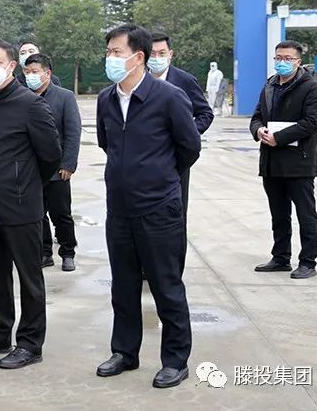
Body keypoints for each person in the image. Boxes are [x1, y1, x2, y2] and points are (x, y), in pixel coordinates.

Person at [95, 24, 201, 389]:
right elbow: (107, 143)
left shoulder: (169, 97)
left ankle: (175, 360)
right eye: (108, 52)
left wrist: (158, 177)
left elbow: (189, 148)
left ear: (138, 57)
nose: (110, 58)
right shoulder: (106, 99)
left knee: (166, 286)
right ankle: (125, 352)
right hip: (119, 209)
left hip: (159, 209)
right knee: (123, 286)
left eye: (117, 52)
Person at [0, 40, 61, 369]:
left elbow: (51, 155)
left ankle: (31, 343)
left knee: (29, 278)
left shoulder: (30, 104)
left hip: (22, 207)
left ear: (11, 66)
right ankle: (0, 333)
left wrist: (23, 181)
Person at [250, 40, 317, 279]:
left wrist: (279, 138)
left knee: (305, 214)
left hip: (298, 163)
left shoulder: (310, 88)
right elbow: (257, 116)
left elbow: (311, 122)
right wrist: (258, 130)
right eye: (278, 58)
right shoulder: (270, 86)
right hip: (271, 162)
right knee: (279, 214)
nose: (282, 62)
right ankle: (281, 257)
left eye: (287, 58)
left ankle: (308, 262)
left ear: (298, 61)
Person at [23, 53, 82, 271]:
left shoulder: (64, 97)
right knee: (37, 214)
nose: (30, 76)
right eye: (27, 72)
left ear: (47, 73)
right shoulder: (22, 97)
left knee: (61, 214)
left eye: (35, 72)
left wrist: (68, 163)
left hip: (58, 169)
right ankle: (44, 252)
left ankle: (67, 252)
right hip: (32, 168)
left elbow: (73, 131)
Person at [149, 32, 213, 229]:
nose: (157, 58)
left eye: (162, 53)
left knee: (175, 214)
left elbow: (205, 113)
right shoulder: (135, 80)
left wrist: (187, 134)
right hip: (143, 158)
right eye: (152, 53)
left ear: (170, 54)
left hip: (175, 158)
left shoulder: (184, 80)